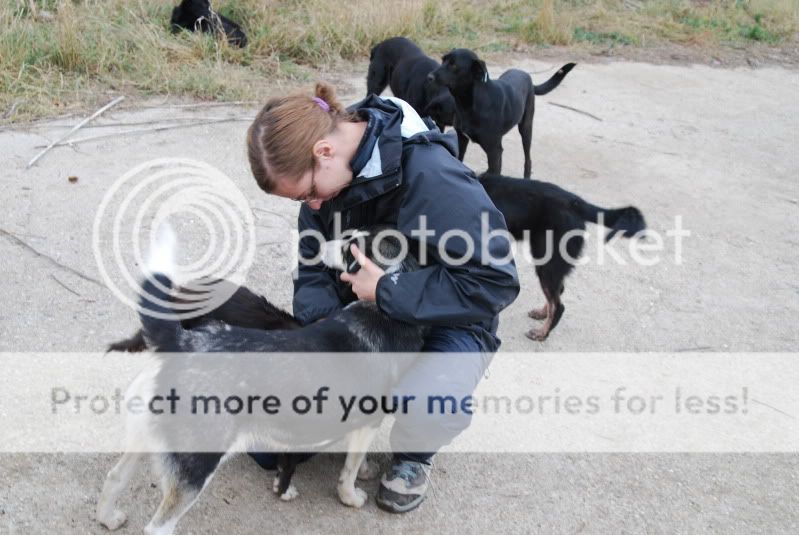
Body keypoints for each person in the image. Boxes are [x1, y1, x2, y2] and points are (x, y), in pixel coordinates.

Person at [246, 82, 520, 513]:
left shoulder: (430, 175)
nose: (312, 207)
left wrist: (389, 290)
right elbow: (314, 266)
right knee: (268, 450)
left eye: (307, 194)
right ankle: (355, 408)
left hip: (447, 319)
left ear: (324, 152)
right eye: (302, 201)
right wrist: (323, 332)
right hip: (363, 314)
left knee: (432, 399)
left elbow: (495, 280)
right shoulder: (325, 187)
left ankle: (414, 454)